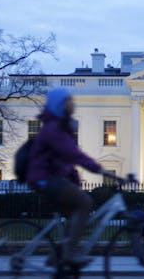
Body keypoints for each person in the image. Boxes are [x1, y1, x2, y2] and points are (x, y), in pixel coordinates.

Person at [27, 87, 102, 264]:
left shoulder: (61, 127)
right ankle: (69, 255)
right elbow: (73, 154)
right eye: (68, 101)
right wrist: (98, 169)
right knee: (85, 203)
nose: (72, 104)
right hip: (44, 179)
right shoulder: (54, 128)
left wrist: (76, 180)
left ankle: (57, 256)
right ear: (59, 105)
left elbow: (65, 161)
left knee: (75, 217)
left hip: (51, 177)